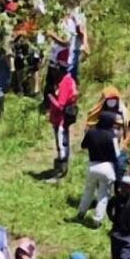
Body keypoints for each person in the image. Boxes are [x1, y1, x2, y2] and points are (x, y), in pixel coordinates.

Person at [76, 111, 120, 226]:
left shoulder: (91, 132)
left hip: (92, 166)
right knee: (103, 195)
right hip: (107, 167)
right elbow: (117, 154)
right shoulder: (112, 135)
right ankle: (97, 219)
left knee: (88, 191)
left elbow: (83, 145)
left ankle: (81, 212)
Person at [46, 51, 79, 179]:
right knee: (62, 142)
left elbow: (60, 104)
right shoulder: (67, 80)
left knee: (61, 143)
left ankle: (61, 171)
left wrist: (50, 98)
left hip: (60, 119)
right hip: (58, 119)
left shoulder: (65, 82)